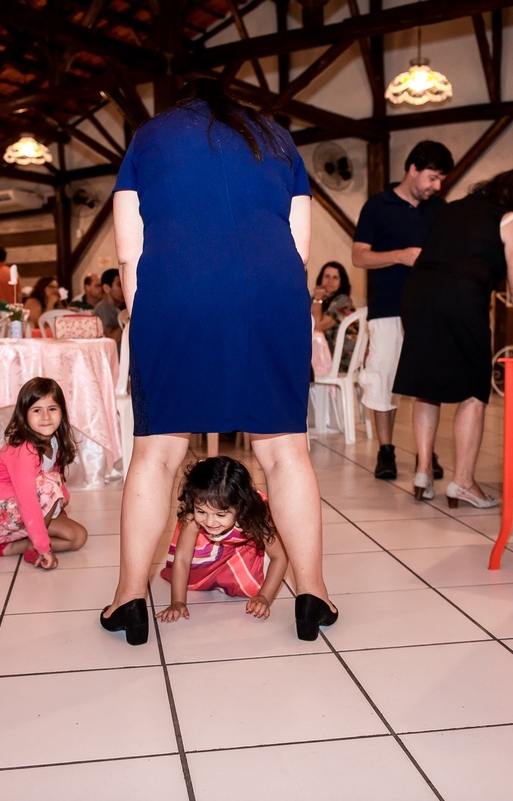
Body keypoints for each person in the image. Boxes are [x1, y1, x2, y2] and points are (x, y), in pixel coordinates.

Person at [104, 77, 336, 646]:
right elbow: (299, 248)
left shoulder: (148, 137)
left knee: (157, 454)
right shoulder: (277, 138)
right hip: (272, 294)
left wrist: (148, 319)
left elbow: (128, 251)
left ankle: (129, 600)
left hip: (175, 293)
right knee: (285, 453)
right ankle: (313, 595)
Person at [394, 169, 513, 507]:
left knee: (426, 386)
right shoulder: (511, 219)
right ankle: (463, 482)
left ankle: (424, 471)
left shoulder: (452, 208)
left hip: (417, 294)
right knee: (473, 389)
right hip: (460, 297)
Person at [352, 140, 454, 482]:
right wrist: (400, 255)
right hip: (387, 307)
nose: (436, 186)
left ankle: (427, 452)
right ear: (412, 169)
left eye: (440, 180)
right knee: (383, 378)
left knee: (429, 381)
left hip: (428, 308)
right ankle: (386, 450)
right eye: (432, 177)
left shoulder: (439, 209)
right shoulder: (377, 205)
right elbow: (359, 256)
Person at [0, 377, 88, 564]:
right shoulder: (24, 450)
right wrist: (43, 548)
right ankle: (35, 546)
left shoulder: (53, 440)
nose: (46, 417)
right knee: (49, 483)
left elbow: (56, 481)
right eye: (37, 410)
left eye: (52, 409)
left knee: (78, 536)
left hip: (17, 511)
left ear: (62, 412)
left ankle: (13, 547)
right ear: (24, 415)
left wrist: (60, 503)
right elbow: (28, 500)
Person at [156, 457, 290, 623]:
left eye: (220, 515)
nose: (210, 522)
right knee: (192, 575)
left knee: (251, 586)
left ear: (241, 507)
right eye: (202, 511)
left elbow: (280, 557)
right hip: (208, 547)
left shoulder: (254, 515)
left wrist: (264, 597)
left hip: (245, 547)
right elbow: (182, 558)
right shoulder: (192, 515)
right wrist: (177, 602)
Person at [310, 261, 357, 373]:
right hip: (323, 356)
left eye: (335, 277)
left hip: (340, 360)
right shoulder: (318, 301)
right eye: (327, 276)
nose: (330, 281)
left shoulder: (343, 301)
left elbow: (318, 325)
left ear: (341, 282)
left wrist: (318, 299)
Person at [92, 268, 126, 346]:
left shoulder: (115, 307)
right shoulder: (104, 308)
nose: (124, 289)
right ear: (106, 288)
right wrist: (128, 319)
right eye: (119, 285)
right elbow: (111, 340)